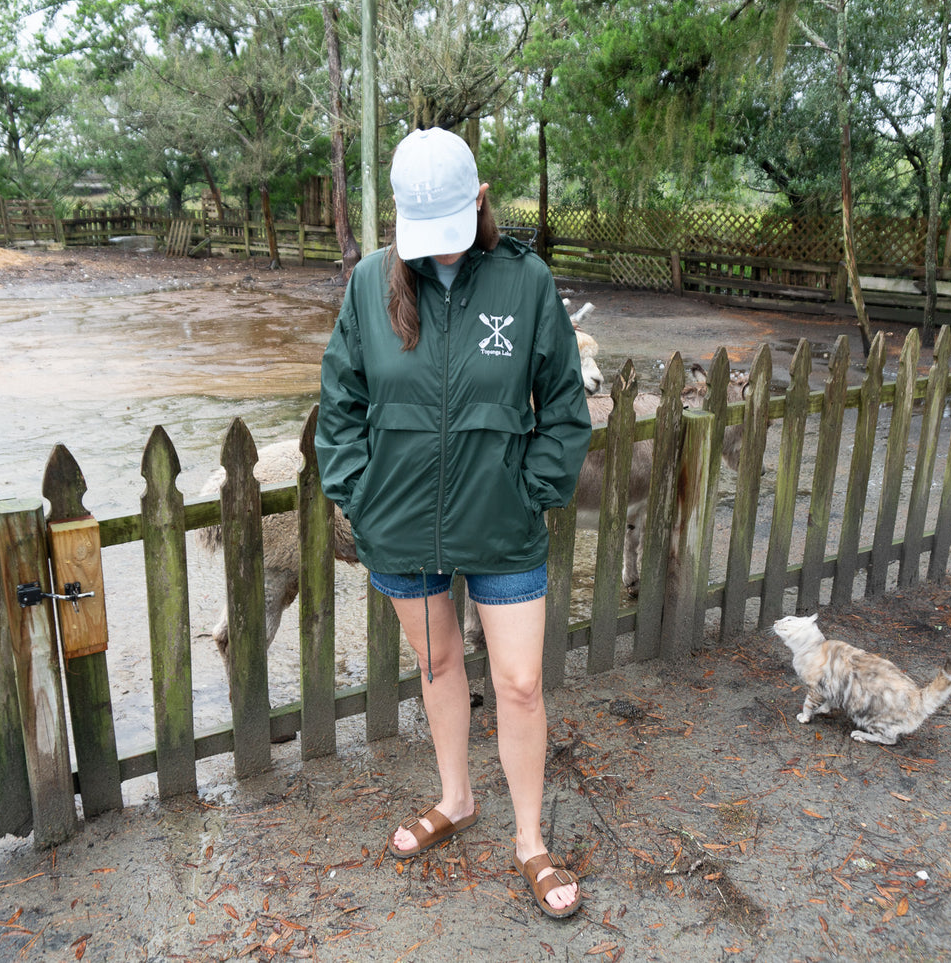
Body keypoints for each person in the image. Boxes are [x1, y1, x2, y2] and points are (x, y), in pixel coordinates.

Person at [314, 127, 593, 919]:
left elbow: (565, 408)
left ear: (480, 201)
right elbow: (337, 408)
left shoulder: (525, 281)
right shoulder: (370, 283)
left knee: (520, 681)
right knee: (438, 665)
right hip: (399, 523)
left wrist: (527, 490)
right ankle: (456, 797)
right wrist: (360, 496)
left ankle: (530, 838)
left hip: (500, 523)